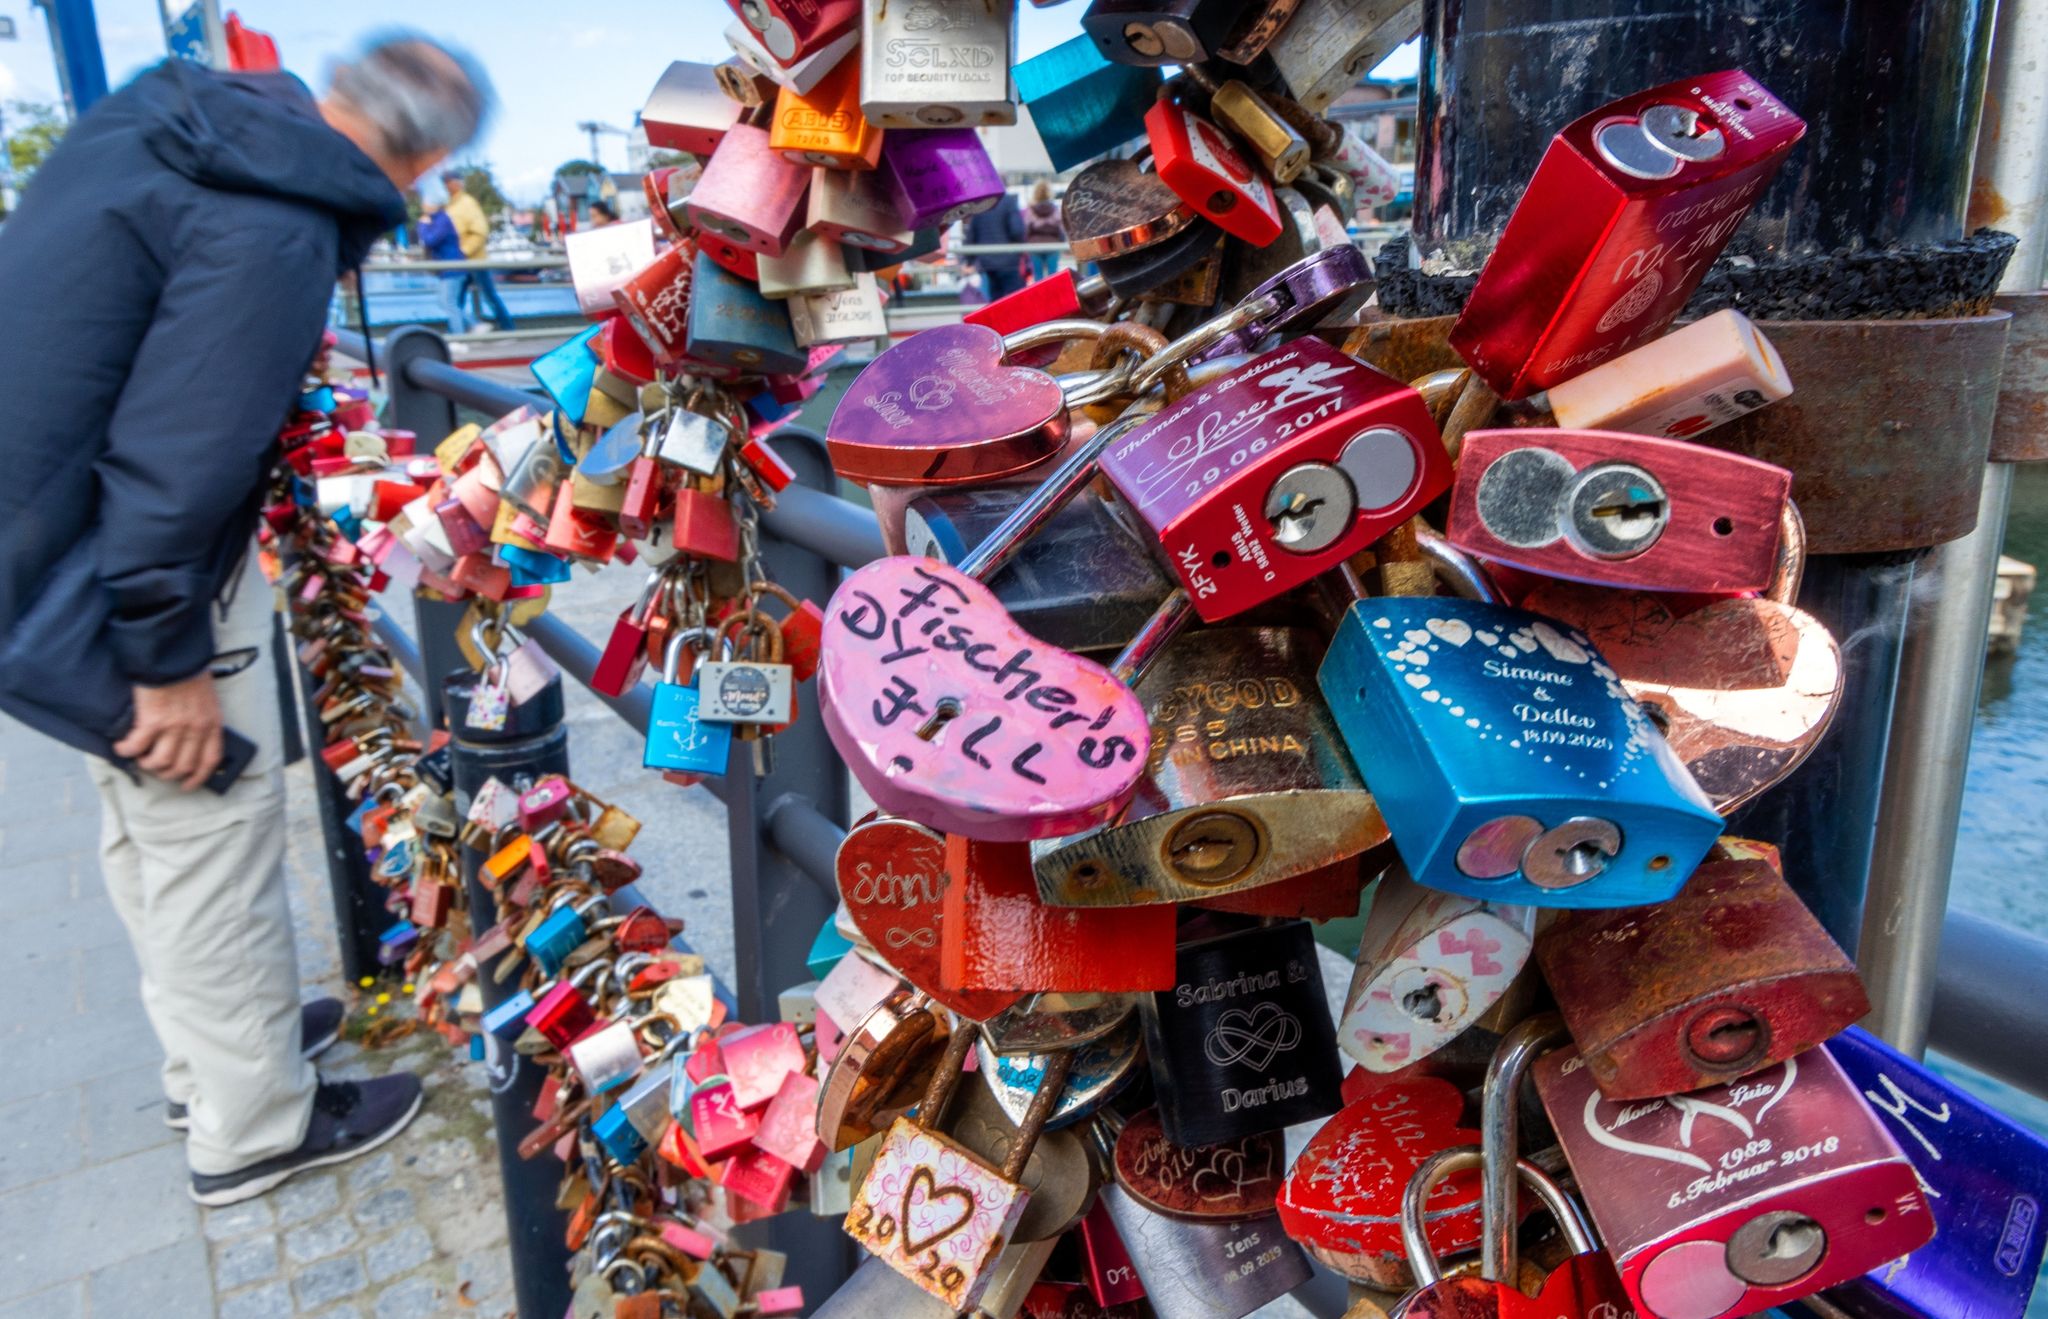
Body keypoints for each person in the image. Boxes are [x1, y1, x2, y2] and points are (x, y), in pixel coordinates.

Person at [0, 32, 491, 1206]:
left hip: (41, 533)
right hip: (109, 568)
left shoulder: (166, 119)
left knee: (149, 830)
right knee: (204, 823)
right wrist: (163, 656)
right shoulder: (275, 221)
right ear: (426, 162)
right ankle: (253, 1123)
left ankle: (220, 1055)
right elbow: (177, 459)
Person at [443, 168, 515, 330]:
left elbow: (480, 231)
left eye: (449, 182)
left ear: (456, 184)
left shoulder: (467, 203)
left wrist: (464, 252)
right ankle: (458, 333)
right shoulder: (450, 205)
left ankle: (508, 329)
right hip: (461, 262)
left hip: (474, 261)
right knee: (456, 300)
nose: (447, 186)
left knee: (487, 296)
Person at [964, 187, 1027, 301]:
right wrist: (1020, 248)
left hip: (988, 261)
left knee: (995, 299)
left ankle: (999, 318)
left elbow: (972, 235)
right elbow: (1017, 230)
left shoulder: (980, 205)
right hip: (1009, 259)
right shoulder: (1009, 202)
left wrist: (969, 260)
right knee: (1016, 299)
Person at [418, 200, 471, 333]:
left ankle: (461, 336)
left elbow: (430, 240)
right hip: (450, 268)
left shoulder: (442, 220)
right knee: (446, 302)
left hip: (452, 268)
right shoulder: (440, 219)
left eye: (426, 203)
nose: (423, 205)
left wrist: (422, 225)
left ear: (435, 204)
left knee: (448, 303)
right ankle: (473, 325)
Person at [1023, 180, 1064, 282]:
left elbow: (1026, 229)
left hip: (1035, 246)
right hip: (1053, 245)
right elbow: (1061, 228)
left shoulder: (1031, 211)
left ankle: (1040, 296)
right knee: (1053, 275)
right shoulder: (1055, 210)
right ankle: (1054, 296)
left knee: (1037, 275)